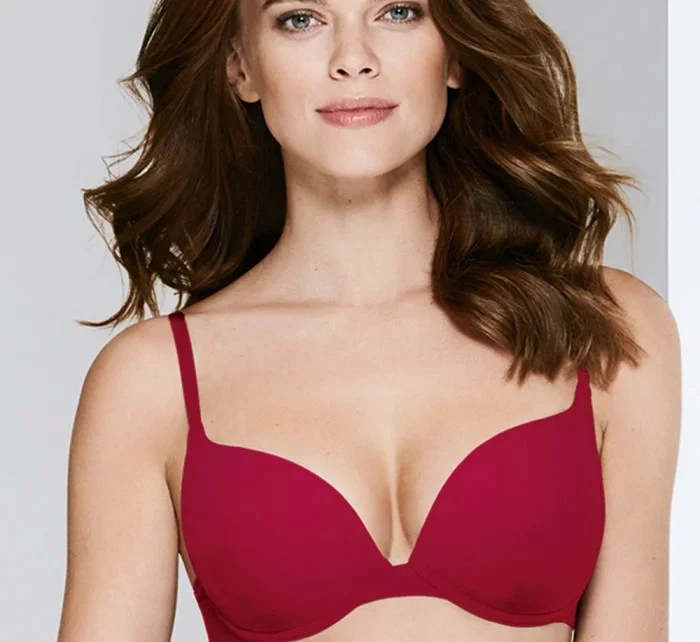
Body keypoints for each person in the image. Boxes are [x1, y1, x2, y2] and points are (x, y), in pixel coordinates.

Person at [56, 0, 681, 640]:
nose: (353, 60)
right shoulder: (152, 382)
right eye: (301, 19)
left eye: (398, 11)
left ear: (455, 53)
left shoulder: (606, 329)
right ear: (240, 65)